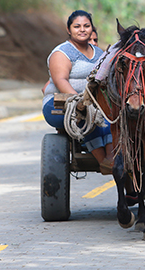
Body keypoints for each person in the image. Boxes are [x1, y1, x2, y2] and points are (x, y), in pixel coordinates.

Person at [42, 10, 113, 173]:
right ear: (69, 30)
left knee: (111, 117)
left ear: (91, 28)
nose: (82, 29)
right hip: (60, 104)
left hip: (94, 103)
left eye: (86, 26)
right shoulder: (61, 52)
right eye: (77, 26)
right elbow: (61, 80)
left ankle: (112, 159)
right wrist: (81, 101)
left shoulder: (100, 53)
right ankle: (103, 162)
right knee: (87, 115)